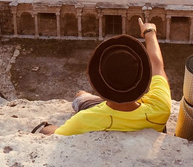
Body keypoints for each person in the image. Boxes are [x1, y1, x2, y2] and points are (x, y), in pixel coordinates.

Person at [34, 18, 171, 136]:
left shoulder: (84, 120)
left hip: (101, 114)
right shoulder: (160, 108)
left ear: (101, 83)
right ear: (142, 79)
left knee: (80, 95)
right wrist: (150, 32)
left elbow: (55, 134)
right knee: (81, 95)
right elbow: (157, 65)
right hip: (134, 116)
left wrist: (47, 127)